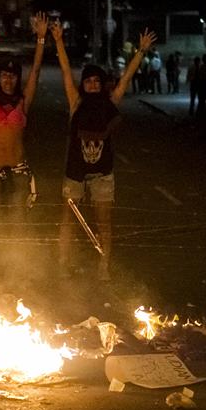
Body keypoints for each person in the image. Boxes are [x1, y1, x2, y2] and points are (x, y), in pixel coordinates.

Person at [50, 20, 156, 281]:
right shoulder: (76, 104)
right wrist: (59, 41)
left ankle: (103, 266)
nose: (94, 85)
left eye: (97, 81)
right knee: (68, 220)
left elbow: (126, 78)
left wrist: (140, 52)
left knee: (104, 223)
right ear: (84, 84)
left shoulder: (111, 104)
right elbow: (65, 72)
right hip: (74, 172)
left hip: (102, 174)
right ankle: (63, 264)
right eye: (89, 81)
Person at [0, 7, 49, 225]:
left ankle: (16, 257)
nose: (8, 80)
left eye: (12, 77)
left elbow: (36, 71)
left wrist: (41, 38)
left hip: (18, 168)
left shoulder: (23, 102)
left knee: (18, 217)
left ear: (17, 79)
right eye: (4, 76)